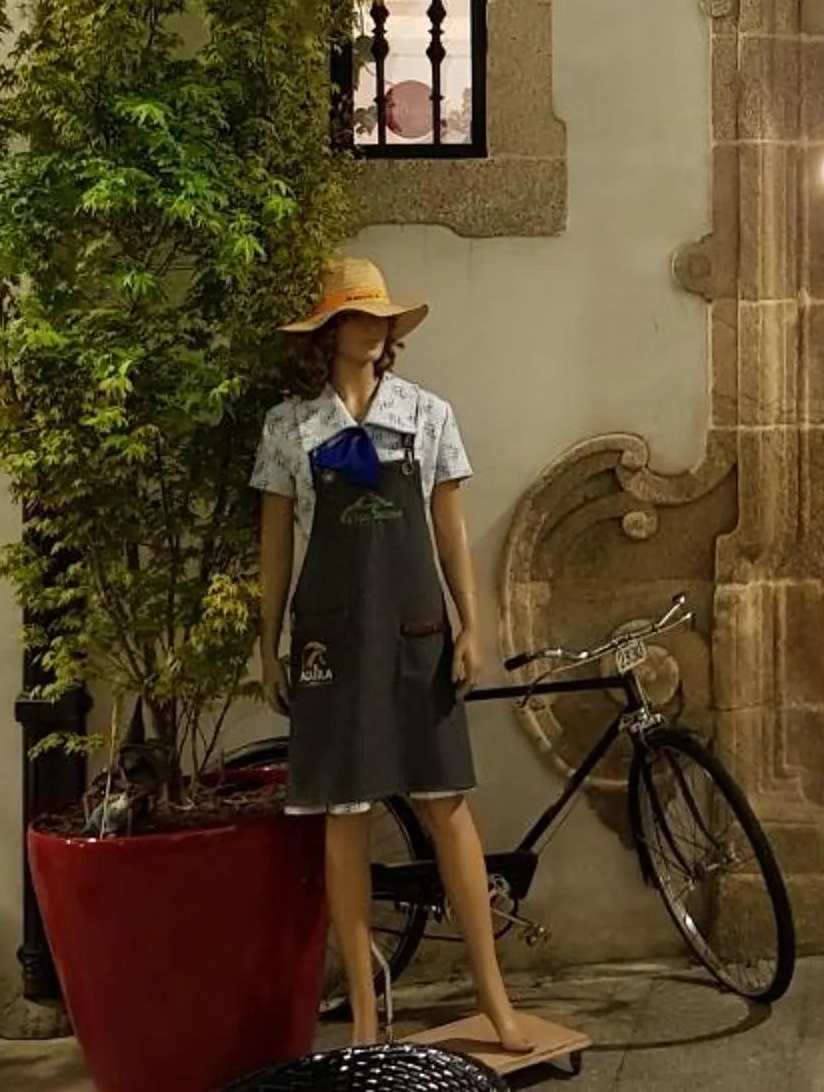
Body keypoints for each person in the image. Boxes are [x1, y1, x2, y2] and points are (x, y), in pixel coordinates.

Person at [253, 258, 527, 1053]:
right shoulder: (290, 428)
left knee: (447, 807)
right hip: (331, 641)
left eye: (380, 319)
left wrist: (471, 625)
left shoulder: (429, 417)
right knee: (346, 817)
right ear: (331, 333)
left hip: (416, 633)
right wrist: (265, 644)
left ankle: (496, 1000)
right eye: (356, 319)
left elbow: (449, 532)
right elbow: (274, 549)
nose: (371, 331)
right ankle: (368, 1018)